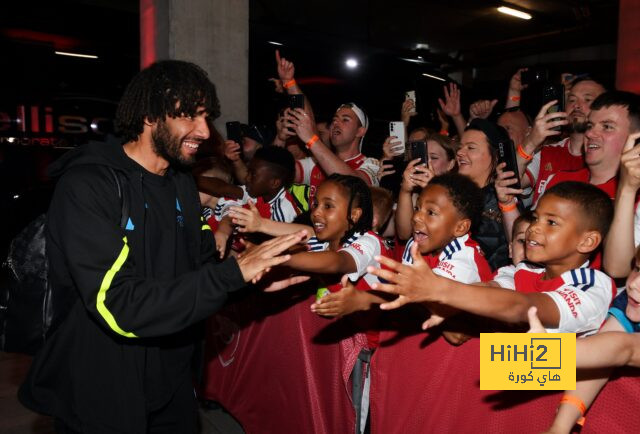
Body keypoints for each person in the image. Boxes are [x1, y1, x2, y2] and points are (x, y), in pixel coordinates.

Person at [18, 60, 305, 434]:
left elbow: (199, 268)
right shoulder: (89, 185)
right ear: (151, 114)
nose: (204, 131)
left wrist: (248, 280)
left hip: (173, 388)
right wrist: (230, 275)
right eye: (191, 116)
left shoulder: (181, 184)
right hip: (103, 392)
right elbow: (119, 304)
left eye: (207, 117)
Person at [369, 181, 616, 336]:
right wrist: (451, 307)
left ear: (587, 241)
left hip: (557, 403)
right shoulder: (518, 271)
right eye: (536, 217)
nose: (534, 228)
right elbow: (486, 291)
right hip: (509, 394)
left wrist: (439, 290)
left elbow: (521, 307)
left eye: (551, 222)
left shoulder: (594, 284)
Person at [531, 245, 640, 433]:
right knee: (493, 362)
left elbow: (623, 349)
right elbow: (604, 350)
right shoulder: (630, 302)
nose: (634, 283)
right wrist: (560, 427)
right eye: (637, 269)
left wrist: (550, 352)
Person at [212, 145, 301, 258]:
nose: (247, 178)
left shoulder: (283, 211)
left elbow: (282, 255)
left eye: (253, 174)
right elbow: (226, 194)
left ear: (274, 183)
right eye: (248, 172)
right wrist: (223, 233)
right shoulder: (258, 192)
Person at [456, 118, 511, 270]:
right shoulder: (453, 193)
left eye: (471, 148)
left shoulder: (504, 197)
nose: (460, 153)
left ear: (496, 155)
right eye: (460, 147)